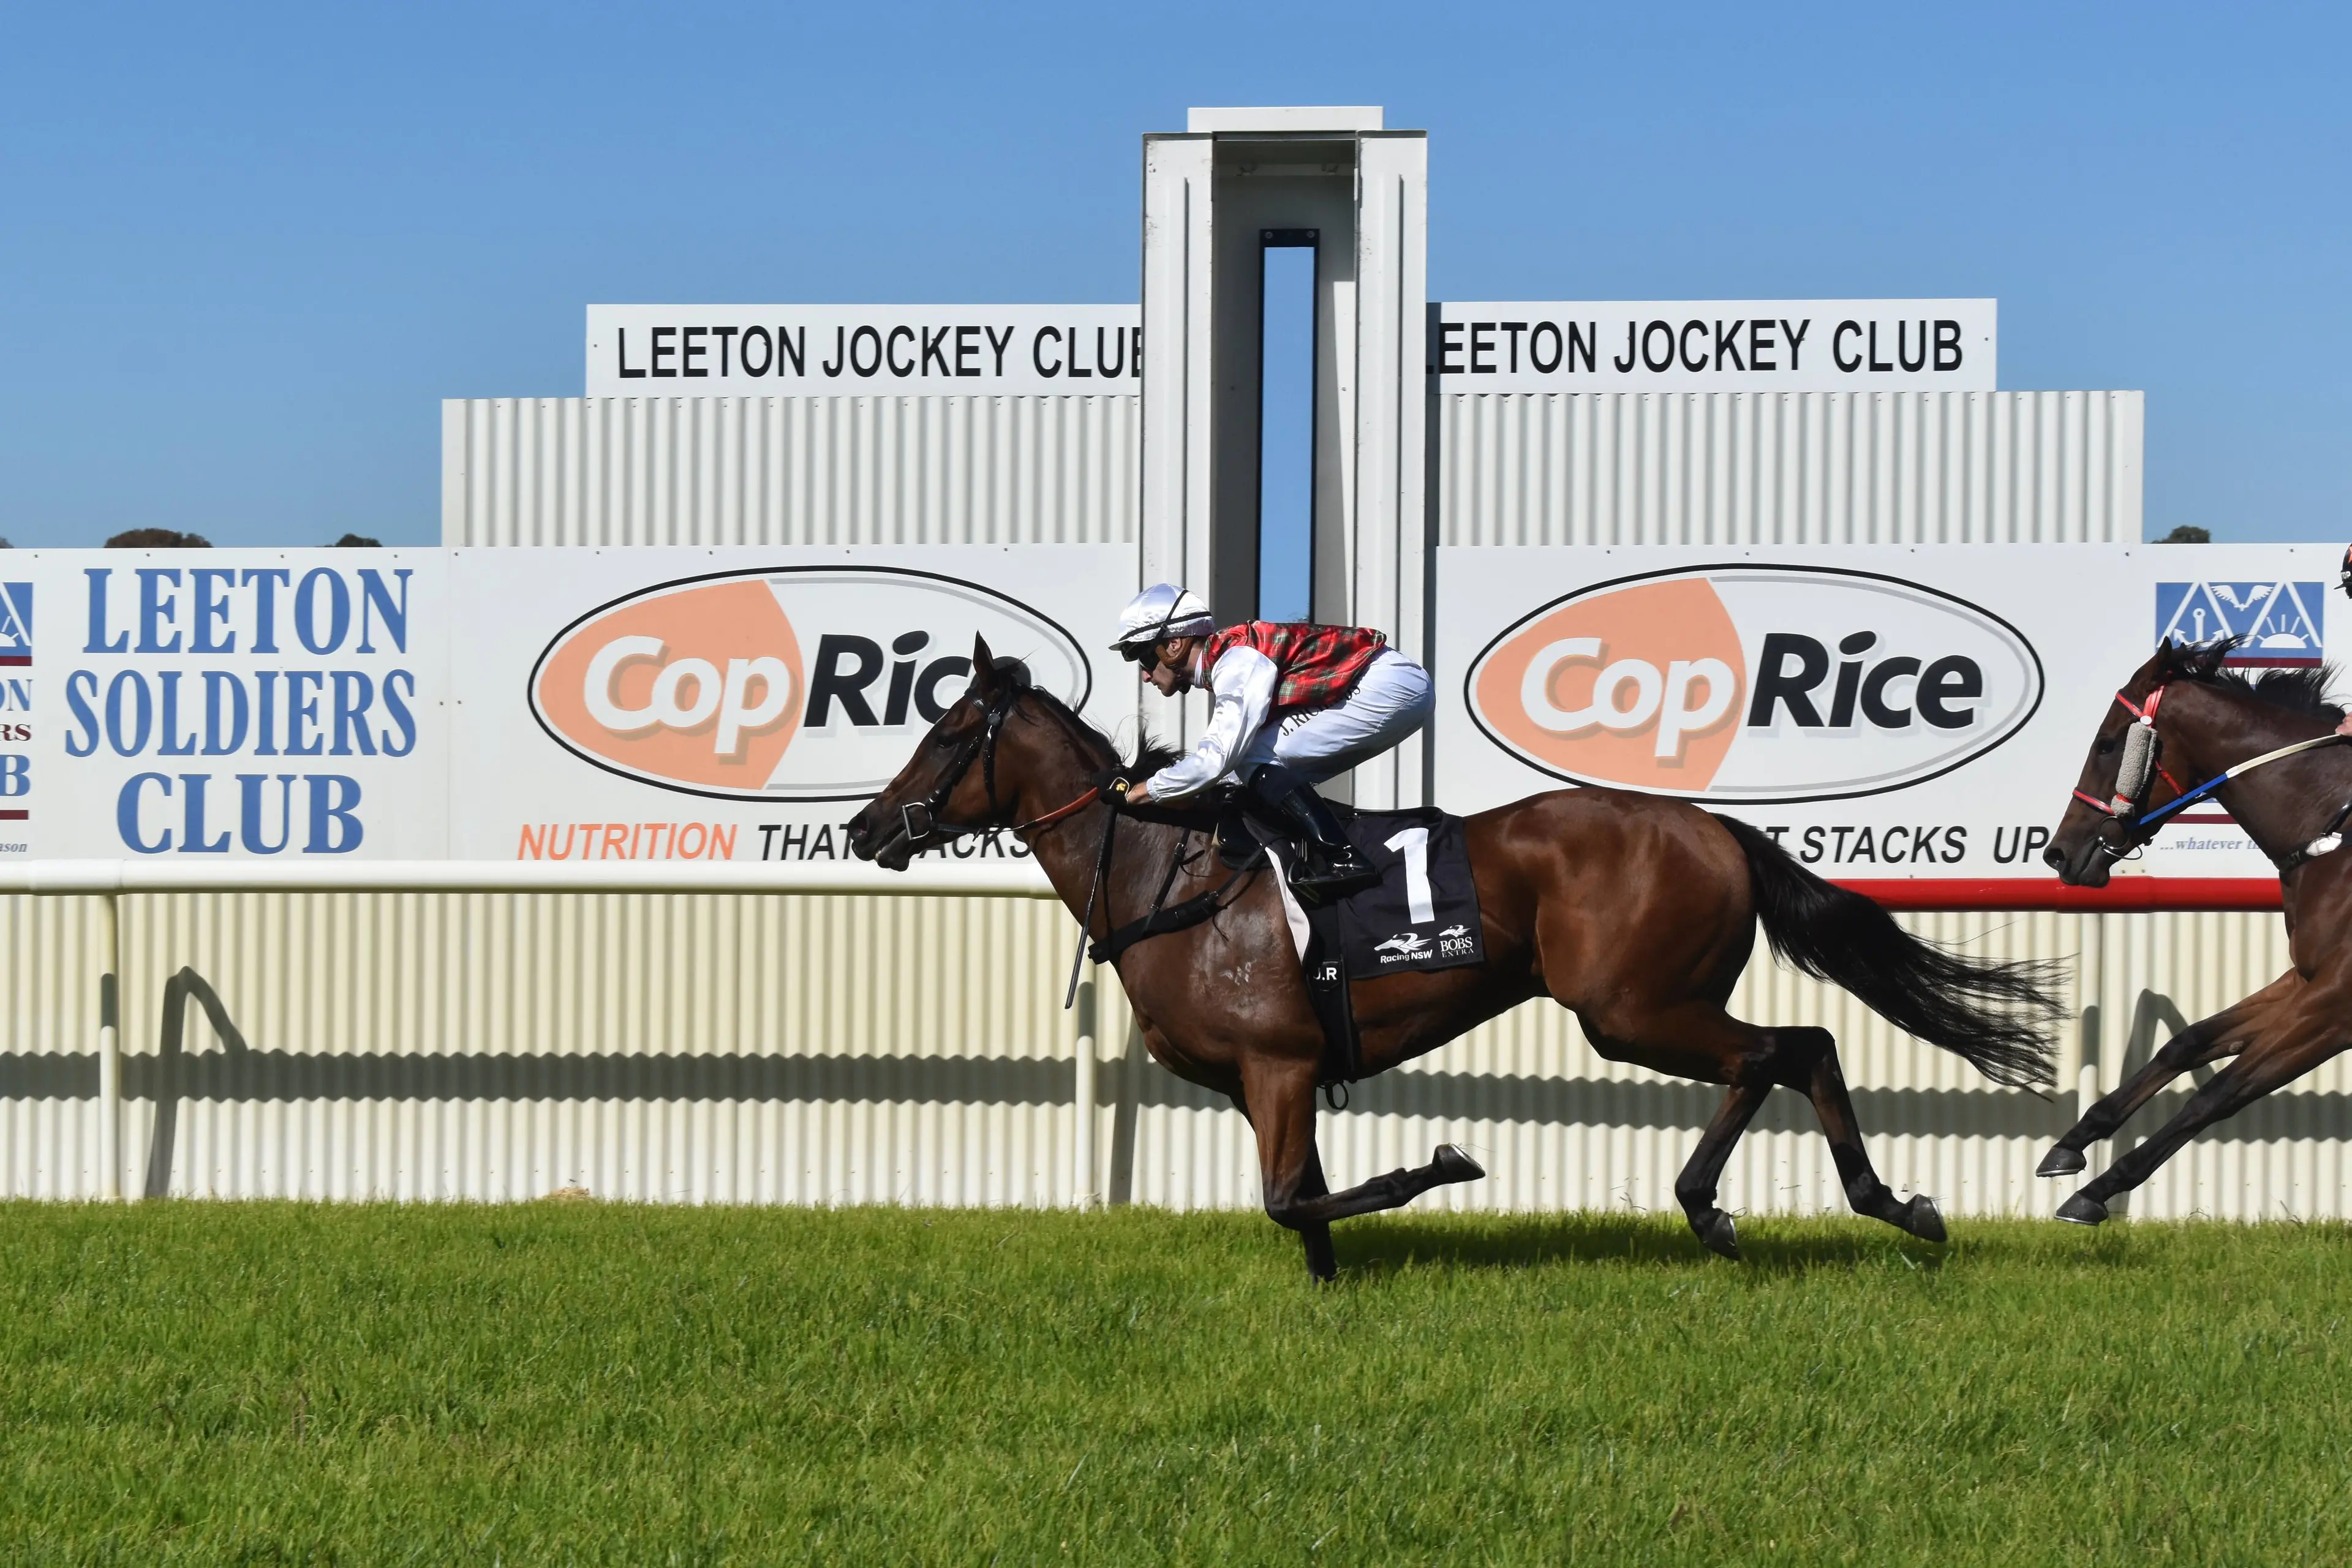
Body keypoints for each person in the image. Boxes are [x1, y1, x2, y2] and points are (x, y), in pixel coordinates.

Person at [1108, 583, 1435, 899]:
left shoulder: (1236, 661)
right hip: (1389, 685)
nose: (1145, 675)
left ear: (1174, 645)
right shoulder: (1229, 657)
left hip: (1387, 684)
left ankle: (1344, 859)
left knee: (1252, 758)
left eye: (1144, 658)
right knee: (1247, 778)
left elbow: (1215, 760)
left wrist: (1141, 791)